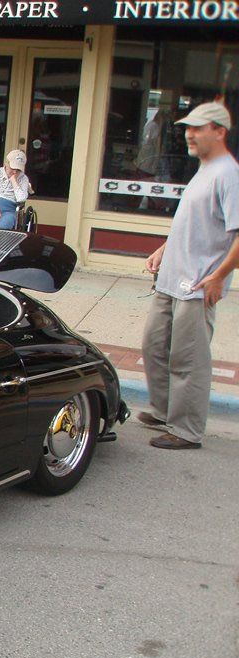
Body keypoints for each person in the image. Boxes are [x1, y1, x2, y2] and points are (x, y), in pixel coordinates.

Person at [140, 101, 239, 450]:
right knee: (154, 346)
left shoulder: (229, 173)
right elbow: (193, 223)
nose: (189, 134)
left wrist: (218, 277)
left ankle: (185, 430)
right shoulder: (205, 169)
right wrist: (164, 249)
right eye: (187, 128)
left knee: (188, 358)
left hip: (198, 284)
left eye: (198, 128)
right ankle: (165, 410)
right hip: (172, 278)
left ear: (220, 131)